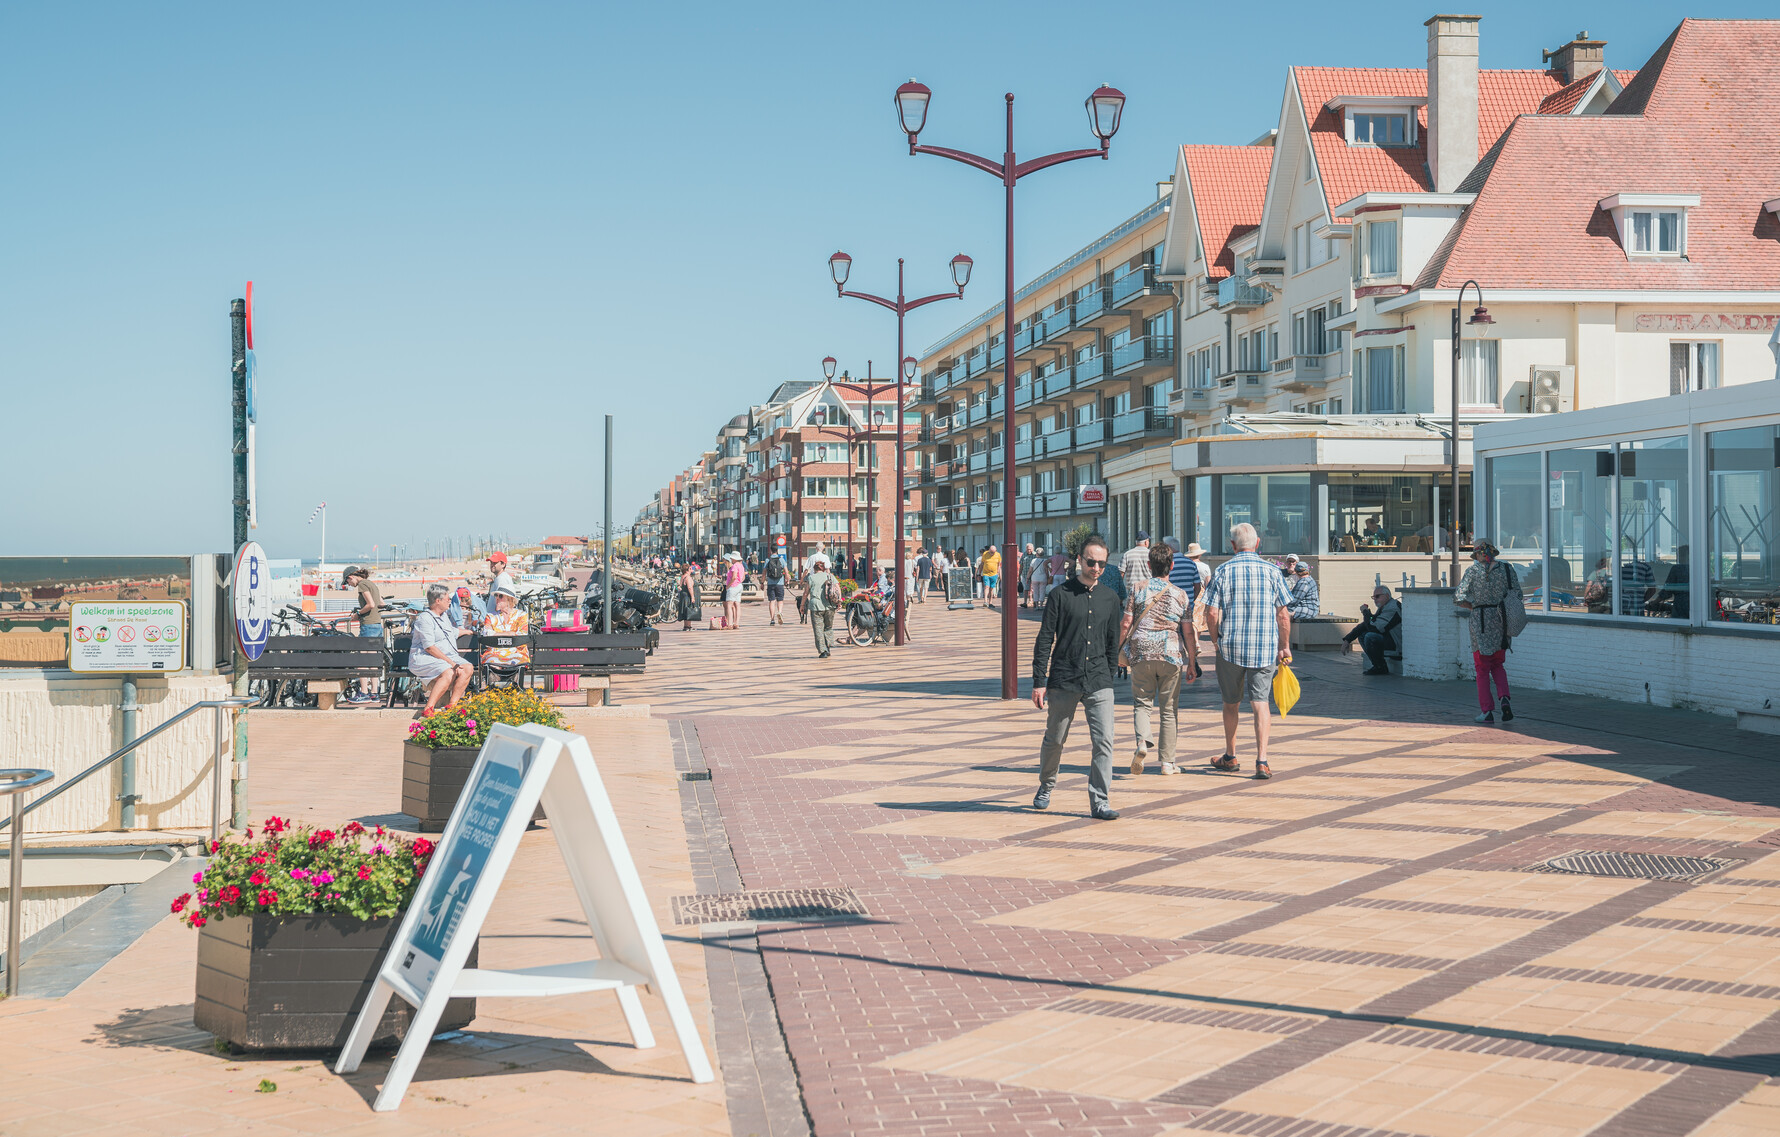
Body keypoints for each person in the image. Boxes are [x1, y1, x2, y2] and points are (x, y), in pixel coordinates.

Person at [1031, 535, 1122, 819]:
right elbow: (1045, 639)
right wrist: (1039, 681)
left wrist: (1108, 675)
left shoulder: (1110, 598)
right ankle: (1046, 785)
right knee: (1055, 738)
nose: (1096, 568)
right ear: (1080, 560)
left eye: (1101, 564)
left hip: (1098, 680)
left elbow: (1112, 642)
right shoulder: (1060, 595)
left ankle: (1100, 801)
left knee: (1104, 741)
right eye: (1091, 561)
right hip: (1065, 678)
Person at [1202, 522, 1293, 780]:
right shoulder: (1273, 572)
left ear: (1232, 545)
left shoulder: (1223, 571)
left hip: (1230, 648)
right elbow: (1283, 616)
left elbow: (1211, 612)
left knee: (1231, 703)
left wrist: (1216, 639)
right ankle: (1262, 760)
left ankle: (1230, 755)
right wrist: (1284, 647)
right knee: (1261, 703)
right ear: (1258, 543)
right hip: (1264, 649)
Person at [1121, 542, 1196, 776]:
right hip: (1170, 653)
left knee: (1142, 703)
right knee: (1169, 709)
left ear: (1148, 565)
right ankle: (1167, 763)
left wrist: (1116, 650)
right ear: (1171, 566)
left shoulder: (1137, 588)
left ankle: (1143, 742)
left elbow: (1126, 623)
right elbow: (1188, 631)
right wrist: (1192, 661)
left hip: (1141, 651)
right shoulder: (1181, 595)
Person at [1454, 541, 1520, 725]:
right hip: (1502, 619)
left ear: (1478, 555)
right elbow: (1518, 595)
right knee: (1498, 664)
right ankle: (1504, 698)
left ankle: (1487, 710)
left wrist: (1472, 606)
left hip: (1480, 621)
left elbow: (1458, 597)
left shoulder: (1473, 571)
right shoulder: (1507, 569)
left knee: (1482, 668)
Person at [410, 583, 473, 715]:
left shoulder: (444, 616)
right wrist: (452, 663)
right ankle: (428, 708)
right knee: (449, 672)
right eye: (447, 599)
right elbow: (429, 647)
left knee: (468, 668)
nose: (450, 601)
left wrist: (466, 632)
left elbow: (450, 633)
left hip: (445, 656)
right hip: (425, 657)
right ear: (438, 601)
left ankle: (452, 705)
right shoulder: (425, 618)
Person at [1164, 537, 1204, 678]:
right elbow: (1198, 586)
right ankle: (1193, 661)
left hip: (1171, 606)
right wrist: (1191, 599)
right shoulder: (1190, 563)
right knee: (1188, 633)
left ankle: (1172, 663)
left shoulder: (1168, 564)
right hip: (1188, 606)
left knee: (1172, 633)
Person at [343, 567, 383, 704]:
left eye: (348, 582)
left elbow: (370, 604)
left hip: (368, 625)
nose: (349, 585)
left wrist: (357, 614)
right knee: (372, 660)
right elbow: (380, 603)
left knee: (362, 660)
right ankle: (374, 693)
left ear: (351, 577)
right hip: (377, 625)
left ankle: (364, 692)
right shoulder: (371, 584)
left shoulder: (362, 584)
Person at [1342, 585, 1403, 675]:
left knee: (1370, 636)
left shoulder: (1392, 608)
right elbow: (1367, 624)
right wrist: (1348, 639)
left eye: (1377, 596)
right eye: (1373, 597)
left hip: (1396, 646)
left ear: (1387, 596)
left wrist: (1366, 612)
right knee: (1363, 634)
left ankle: (1380, 667)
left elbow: (1374, 628)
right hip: (1389, 639)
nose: (1375, 599)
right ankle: (1379, 665)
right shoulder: (1384, 607)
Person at [480, 583, 530, 677]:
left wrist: (496, 633)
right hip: (495, 652)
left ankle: (514, 689)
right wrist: (511, 633)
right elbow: (486, 634)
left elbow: (522, 635)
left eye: (500, 596)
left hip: (517, 652)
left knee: (517, 663)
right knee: (492, 664)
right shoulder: (490, 617)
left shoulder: (521, 615)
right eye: (496, 595)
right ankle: (494, 690)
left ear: (509, 599)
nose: (497, 598)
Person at [804, 554, 840, 658]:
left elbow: (806, 593)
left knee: (818, 629)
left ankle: (823, 651)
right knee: (828, 627)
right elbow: (838, 589)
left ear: (814, 569)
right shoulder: (830, 576)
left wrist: (802, 605)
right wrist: (839, 602)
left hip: (816, 606)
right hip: (830, 606)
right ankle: (828, 646)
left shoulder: (811, 578)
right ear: (823, 569)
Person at [762, 552, 789, 625]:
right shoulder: (781, 560)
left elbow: (764, 572)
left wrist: (762, 582)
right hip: (780, 583)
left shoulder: (768, 560)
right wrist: (787, 580)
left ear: (770, 551)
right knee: (780, 600)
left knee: (772, 601)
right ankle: (779, 612)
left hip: (770, 583)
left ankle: (772, 619)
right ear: (777, 551)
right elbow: (786, 572)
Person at [677, 562, 700, 631]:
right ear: (687, 570)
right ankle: (688, 626)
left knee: (686, 609)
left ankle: (687, 625)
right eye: (690, 568)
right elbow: (690, 587)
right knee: (688, 610)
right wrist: (692, 597)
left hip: (684, 595)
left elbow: (680, 585)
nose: (691, 569)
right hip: (688, 596)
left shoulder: (683, 576)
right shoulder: (688, 577)